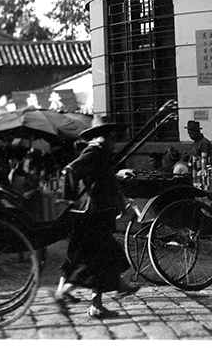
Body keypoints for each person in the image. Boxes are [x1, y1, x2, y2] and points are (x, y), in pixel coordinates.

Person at [55, 115, 131, 319]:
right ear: (102, 137)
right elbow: (71, 170)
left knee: (101, 261)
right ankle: (64, 294)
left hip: (102, 212)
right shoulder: (93, 152)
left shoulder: (101, 154)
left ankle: (96, 303)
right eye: (112, 138)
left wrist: (119, 199)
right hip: (93, 214)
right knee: (95, 263)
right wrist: (70, 198)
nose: (115, 143)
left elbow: (105, 181)